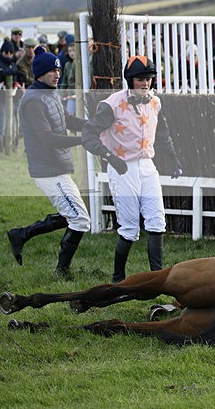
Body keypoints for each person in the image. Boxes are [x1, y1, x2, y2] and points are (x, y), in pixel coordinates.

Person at [82, 55, 183, 283]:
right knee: (129, 228)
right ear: (130, 80)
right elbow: (87, 135)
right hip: (122, 168)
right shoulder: (111, 105)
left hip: (147, 166)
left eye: (148, 79)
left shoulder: (155, 102)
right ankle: (118, 279)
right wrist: (108, 156)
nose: (145, 83)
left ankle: (157, 278)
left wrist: (174, 160)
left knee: (157, 222)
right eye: (140, 79)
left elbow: (163, 133)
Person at [7, 47, 91, 277]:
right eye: (52, 70)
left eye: (58, 69)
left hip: (58, 169)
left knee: (74, 214)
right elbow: (48, 139)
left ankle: (21, 235)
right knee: (81, 219)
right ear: (40, 73)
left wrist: (93, 126)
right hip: (48, 172)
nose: (57, 74)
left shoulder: (50, 94)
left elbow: (68, 119)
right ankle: (61, 271)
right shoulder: (33, 101)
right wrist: (83, 141)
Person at [0, 41, 20, 150]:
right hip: (0, 99)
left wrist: (11, 72)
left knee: (12, 125)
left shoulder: (13, 64)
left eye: (10, 53)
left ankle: (10, 147)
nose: (8, 55)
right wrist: (11, 72)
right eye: (6, 52)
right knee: (1, 125)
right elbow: (1, 74)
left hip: (12, 99)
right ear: (2, 52)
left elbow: (16, 74)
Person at [59, 35, 77, 114]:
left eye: (73, 50)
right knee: (70, 112)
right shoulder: (67, 65)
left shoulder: (82, 65)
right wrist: (61, 93)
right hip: (70, 93)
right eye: (70, 51)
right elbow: (64, 80)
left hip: (79, 93)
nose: (72, 53)